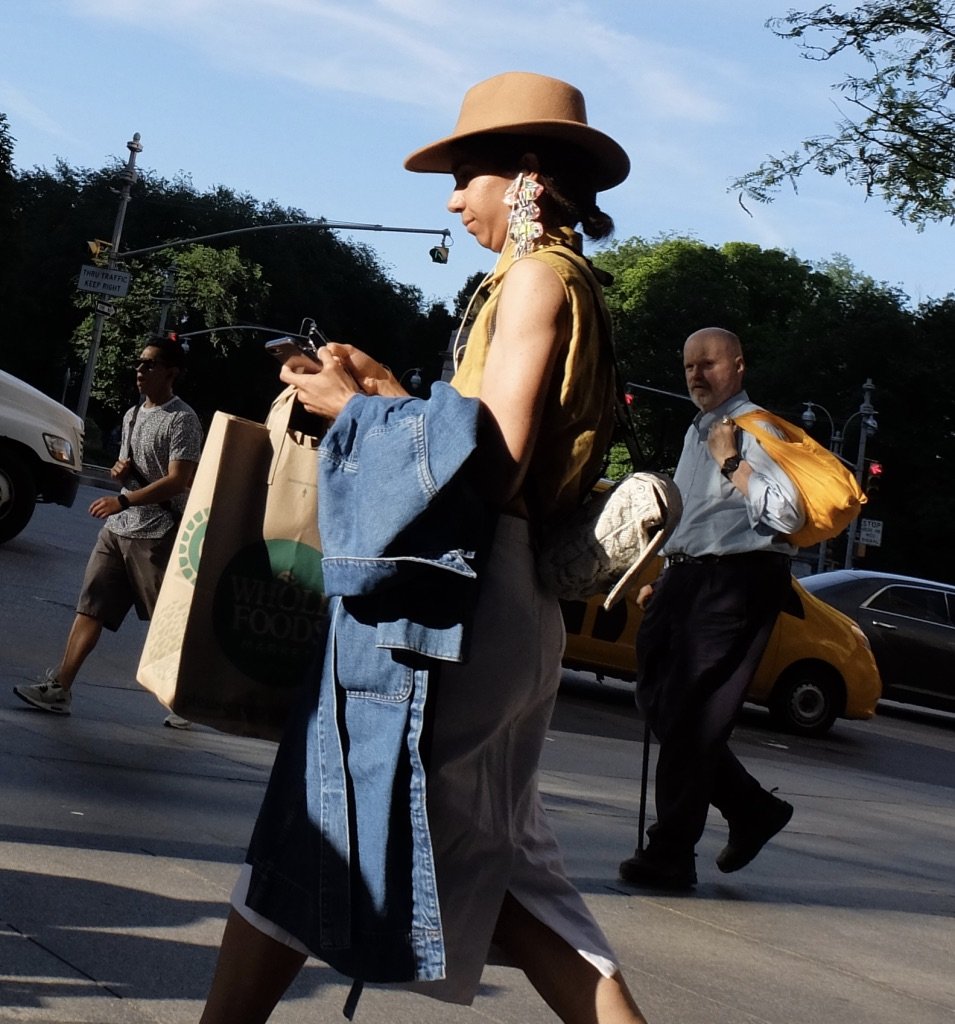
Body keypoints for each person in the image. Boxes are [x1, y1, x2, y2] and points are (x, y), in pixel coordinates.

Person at [199, 72, 651, 1024]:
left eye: (465, 176)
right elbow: (479, 439)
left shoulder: (532, 278)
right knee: (517, 883)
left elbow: (493, 460)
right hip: (508, 608)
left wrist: (353, 410)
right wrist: (396, 396)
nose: (452, 199)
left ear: (525, 176)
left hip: (456, 613)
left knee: (323, 823)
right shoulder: (571, 284)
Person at [618, 327, 803, 891]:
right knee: (661, 704)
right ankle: (750, 808)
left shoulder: (756, 429)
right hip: (690, 580)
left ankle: (670, 854)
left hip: (735, 583)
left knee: (692, 716)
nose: (697, 374)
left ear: (739, 367)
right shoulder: (698, 427)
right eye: (690, 366)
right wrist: (666, 572)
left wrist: (730, 461)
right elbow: (697, 513)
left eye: (709, 364)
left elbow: (789, 516)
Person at [14, 336, 202, 726]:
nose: (140, 370)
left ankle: (186, 699)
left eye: (149, 364)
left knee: (169, 621)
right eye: (139, 363)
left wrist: (126, 500)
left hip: (158, 533)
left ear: (171, 372)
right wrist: (122, 472)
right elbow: (129, 467)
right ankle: (60, 689)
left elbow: (179, 481)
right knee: (90, 607)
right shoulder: (133, 414)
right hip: (118, 530)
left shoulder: (182, 420)